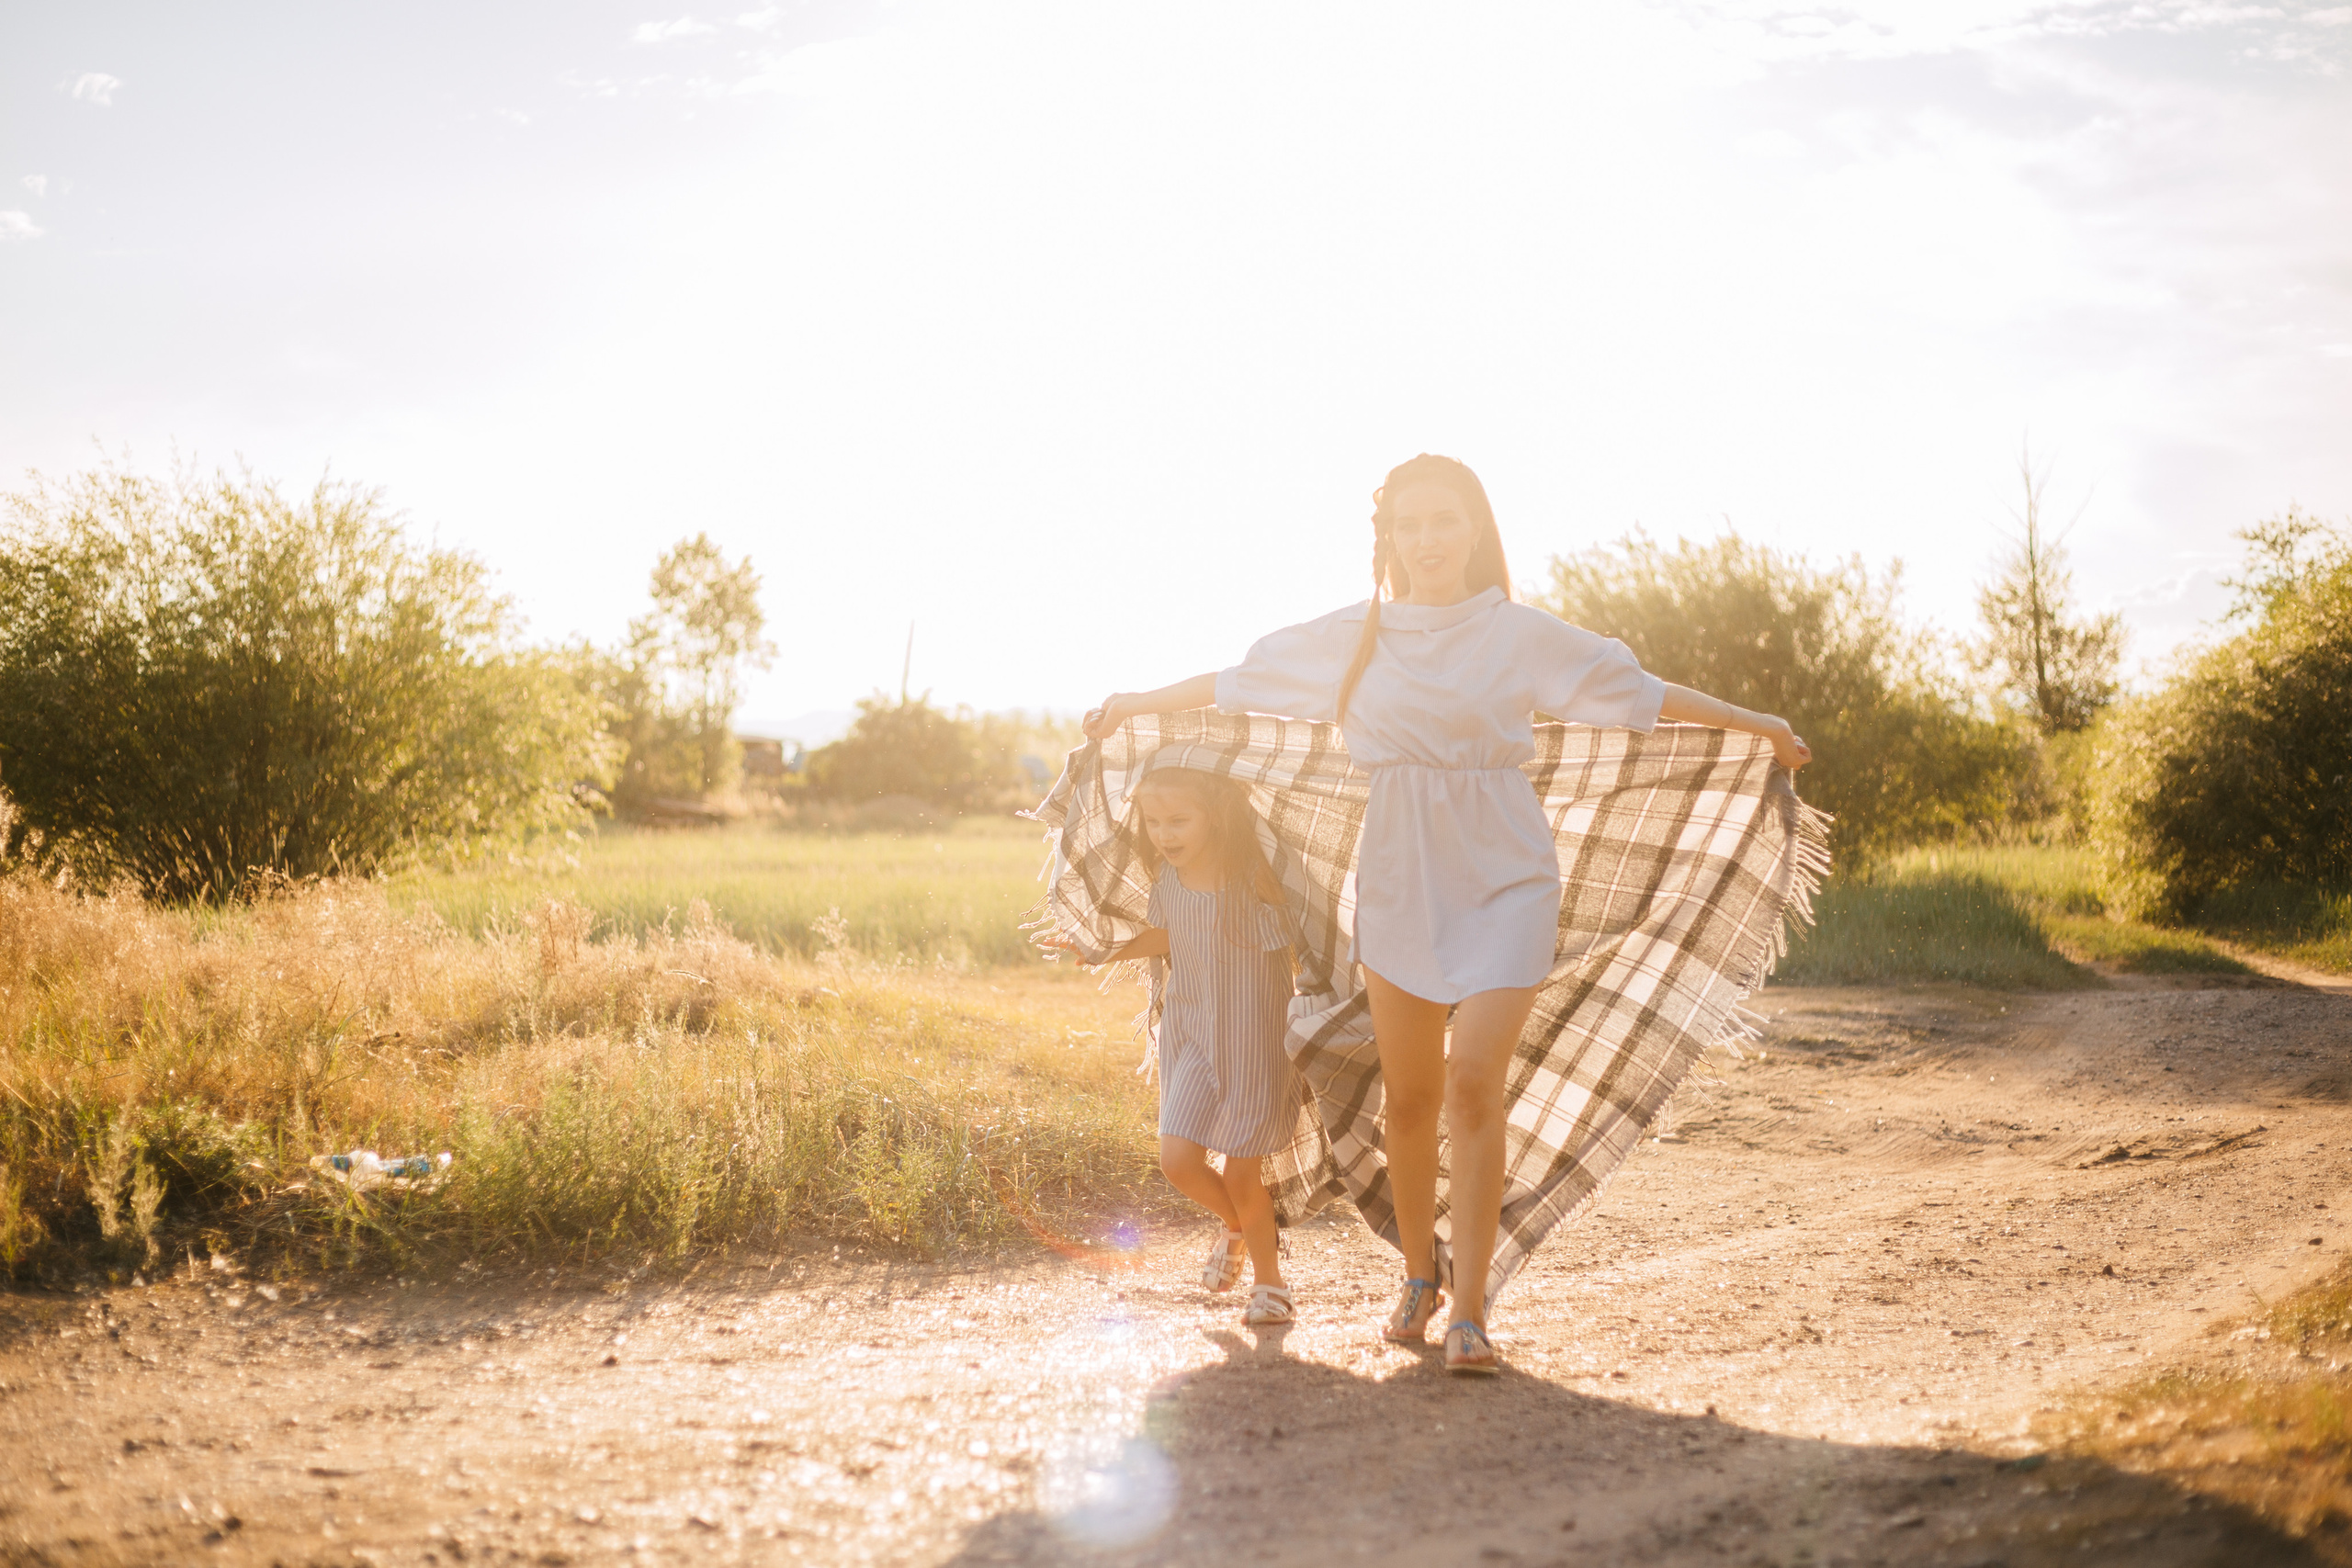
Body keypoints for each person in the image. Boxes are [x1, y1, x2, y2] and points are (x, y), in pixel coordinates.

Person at [1081, 453, 1811, 1373]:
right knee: (1412, 1097)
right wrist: (1137, 704)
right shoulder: (1356, 637)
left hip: (1506, 875)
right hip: (1397, 879)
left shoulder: (1516, 634)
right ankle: (1419, 1275)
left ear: (1474, 530)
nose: (1427, 539)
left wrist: (1759, 726)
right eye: (1409, 524)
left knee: (1472, 1081)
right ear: (1388, 538)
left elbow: (1640, 696)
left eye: (1444, 521)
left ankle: (1470, 1305)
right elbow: (1238, 683)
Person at [1058, 767, 1302, 1327]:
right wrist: (1099, 948)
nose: (1164, 833)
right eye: (1153, 821)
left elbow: (1298, 931)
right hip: (1190, 1036)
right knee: (1178, 1162)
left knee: (1243, 1176)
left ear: (1214, 816)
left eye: (1178, 819)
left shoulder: (1253, 876)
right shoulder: (1167, 882)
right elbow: (1168, 937)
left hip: (1254, 1044)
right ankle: (1237, 1225)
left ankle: (1271, 1285)